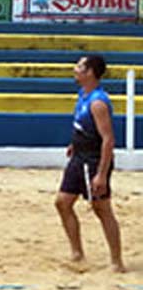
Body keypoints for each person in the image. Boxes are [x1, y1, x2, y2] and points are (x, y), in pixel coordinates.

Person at [55, 55, 125, 273]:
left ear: (90, 72)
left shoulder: (98, 103)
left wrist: (101, 174)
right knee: (62, 202)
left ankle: (117, 261)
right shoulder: (83, 95)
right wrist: (74, 144)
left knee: (102, 208)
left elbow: (108, 140)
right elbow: (83, 127)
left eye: (79, 67)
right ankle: (77, 253)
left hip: (93, 160)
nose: (75, 70)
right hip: (79, 157)